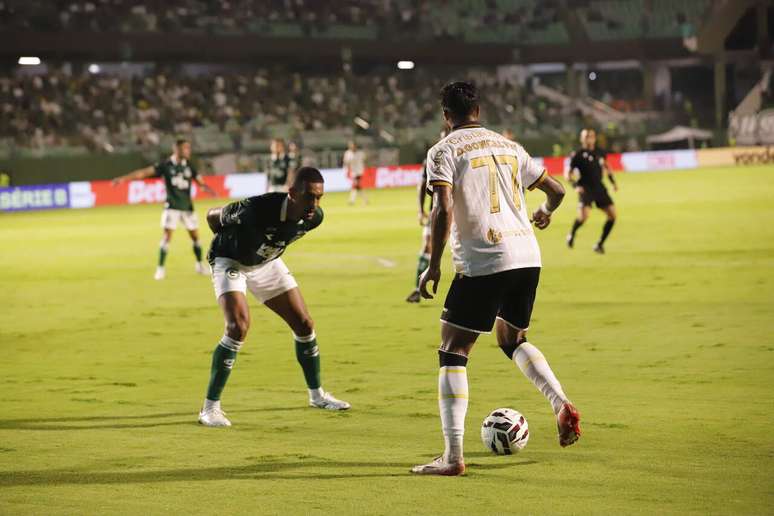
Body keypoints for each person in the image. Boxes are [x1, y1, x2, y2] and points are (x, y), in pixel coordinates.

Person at [410, 81, 581, 476]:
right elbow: (556, 191)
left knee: (454, 350)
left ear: (445, 115)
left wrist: (433, 265)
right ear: (478, 110)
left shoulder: (443, 150)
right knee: (512, 338)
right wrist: (544, 211)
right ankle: (559, 403)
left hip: (484, 258)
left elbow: (441, 209)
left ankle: (452, 458)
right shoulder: (508, 145)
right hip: (527, 256)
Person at [198, 167, 350, 427]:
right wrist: (233, 242)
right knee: (238, 327)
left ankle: (317, 396)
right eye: (309, 197)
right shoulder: (254, 209)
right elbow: (213, 217)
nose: (314, 204)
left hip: (266, 263)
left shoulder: (314, 218)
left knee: (304, 324)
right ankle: (209, 409)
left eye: (319, 197)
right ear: (292, 193)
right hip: (231, 261)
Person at [112, 138, 215, 280]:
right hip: (172, 207)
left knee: (195, 237)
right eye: (186, 148)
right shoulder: (165, 165)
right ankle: (160, 269)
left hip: (187, 208)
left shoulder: (189, 166)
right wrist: (123, 179)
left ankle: (199, 265)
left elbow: (200, 181)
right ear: (177, 150)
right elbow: (143, 173)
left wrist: (205, 188)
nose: (188, 151)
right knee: (167, 238)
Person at [565, 128, 619, 254]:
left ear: (594, 138)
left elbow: (607, 167)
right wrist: (575, 186)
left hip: (599, 188)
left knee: (612, 215)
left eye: (591, 136)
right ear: (582, 139)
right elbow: (568, 174)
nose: (589, 138)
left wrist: (613, 182)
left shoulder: (600, 152)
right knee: (584, 217)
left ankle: (599, 244)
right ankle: (571, 234)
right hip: (585, 189)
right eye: (586, 136)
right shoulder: (577, 155)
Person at [343, 140, 368, 205]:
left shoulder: (360, 153)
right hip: (353, 172)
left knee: (356, 185)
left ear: (355, 146)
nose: (352, 147)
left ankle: (352, 200)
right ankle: (365, 200)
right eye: (351, 146)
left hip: (359, 171)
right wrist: (347, 169)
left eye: (353, 146)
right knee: (357, 186)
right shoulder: (348, 153)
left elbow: (365, 159)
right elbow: (346, 162)